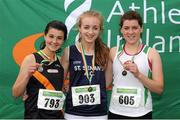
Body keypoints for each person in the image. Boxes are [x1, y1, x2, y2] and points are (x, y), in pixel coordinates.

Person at [107, 11, 164, 119]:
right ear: (121, 30)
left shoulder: (151, 53)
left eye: (134, 28)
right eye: (126, 28)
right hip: (115, 112)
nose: (130, 32)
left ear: (141, 29)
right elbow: (105, 82)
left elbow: (159, 89)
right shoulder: (113, 52)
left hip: (141, 113)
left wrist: (139, 75)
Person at [12, 20, 67, 119]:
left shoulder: (60, 61)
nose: (54, 41)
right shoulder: (31, 59)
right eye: (51, 36)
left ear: (63, 41)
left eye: (59, 38)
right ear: (45, 36)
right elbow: (15, 93)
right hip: (35, 116)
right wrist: (27, 76)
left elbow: (59, 89)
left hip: (57, 117)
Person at [61, 10, 109, 120]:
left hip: (99, 113)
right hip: (73, 112)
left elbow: (107, 81)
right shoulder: (69, 51)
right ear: (79, 28)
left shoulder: (105, 52)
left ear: (100, 30)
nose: (90, 32)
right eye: (86, 27)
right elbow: (58, 81)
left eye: (95, 28)